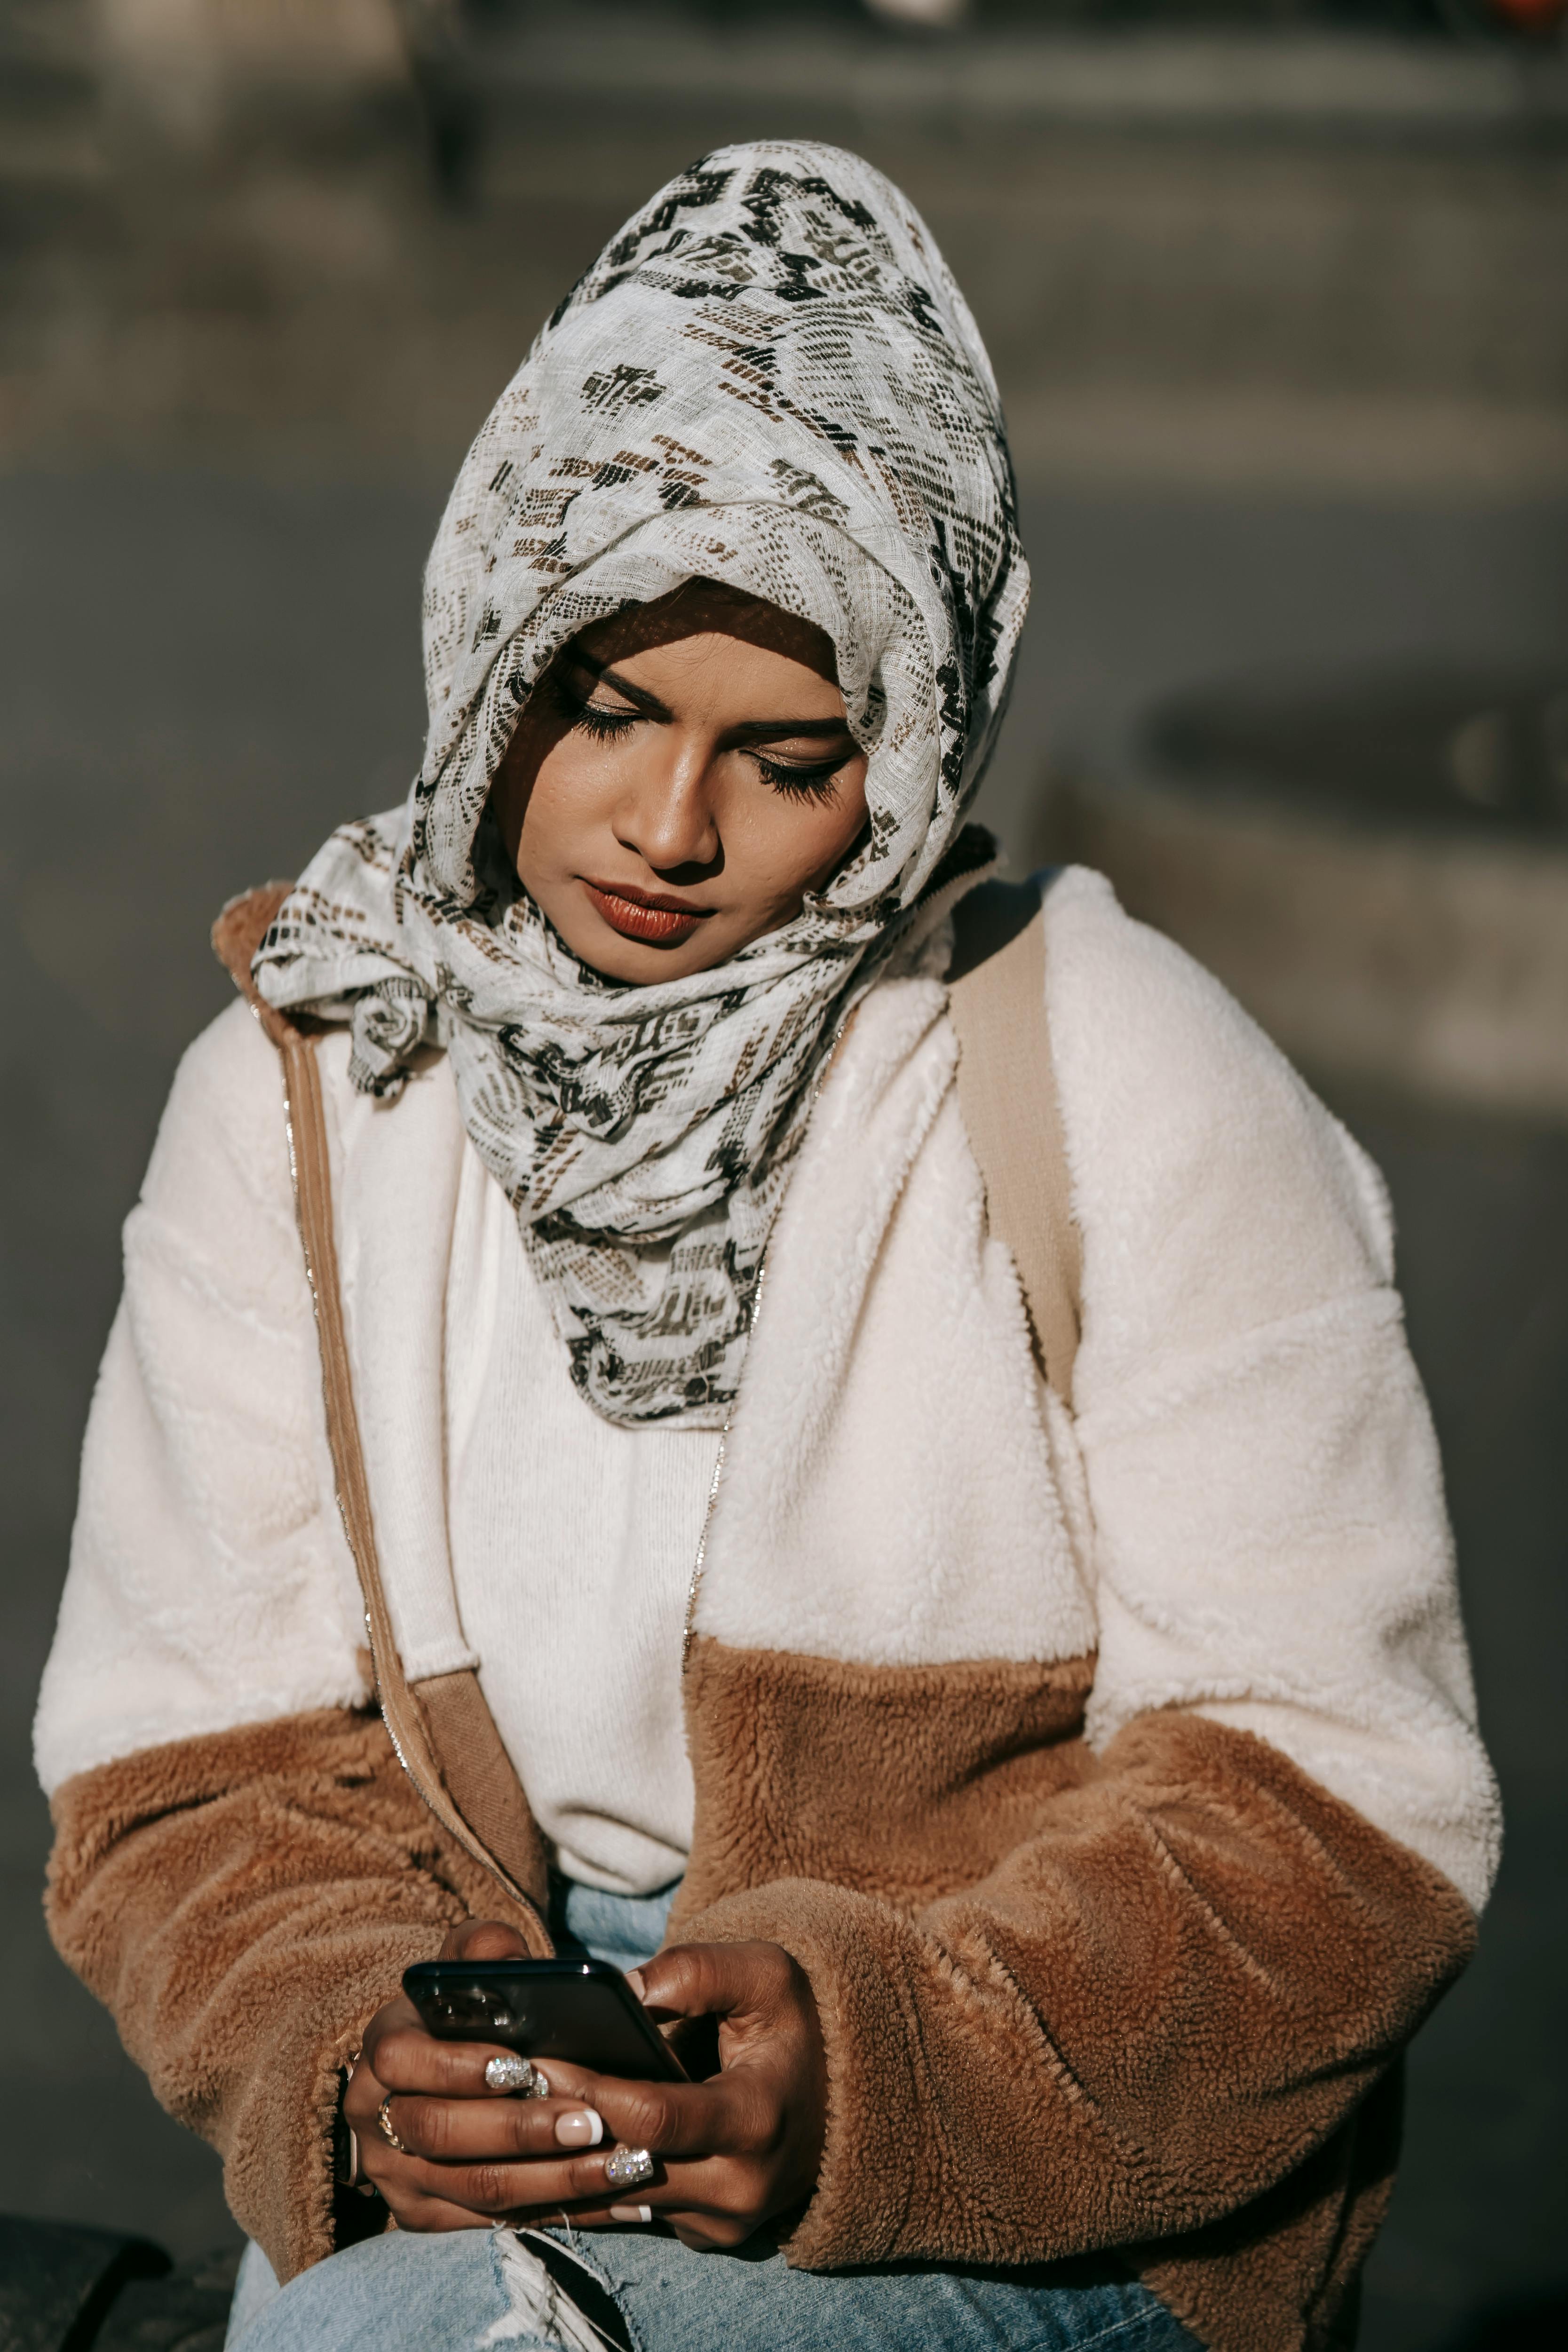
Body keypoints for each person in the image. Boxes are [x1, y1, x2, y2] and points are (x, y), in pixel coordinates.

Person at [35, 142, 1497, 2352]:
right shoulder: (317, 1077)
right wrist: (360, 2069)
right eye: (606, 706)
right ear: (491, 655)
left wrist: (865, 2068)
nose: (669, 827)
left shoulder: (1116, 1065)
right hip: (494, 2132)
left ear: (906, 758)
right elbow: (186, 1773)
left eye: (791, 756)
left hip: (1035, 2189)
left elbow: (1339, 1806)